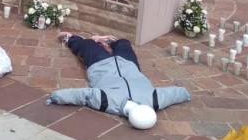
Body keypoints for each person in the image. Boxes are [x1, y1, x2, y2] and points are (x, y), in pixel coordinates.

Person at [48, 32, 190, 128]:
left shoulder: (106, 102)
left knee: (87, 45)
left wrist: (56, 97)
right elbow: (173, 94)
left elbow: (83, 95)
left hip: (100, 66)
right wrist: (185, 93)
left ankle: (72, 39)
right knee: (124, 43)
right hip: (129, 66)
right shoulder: (154, 101)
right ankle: (110, 42)